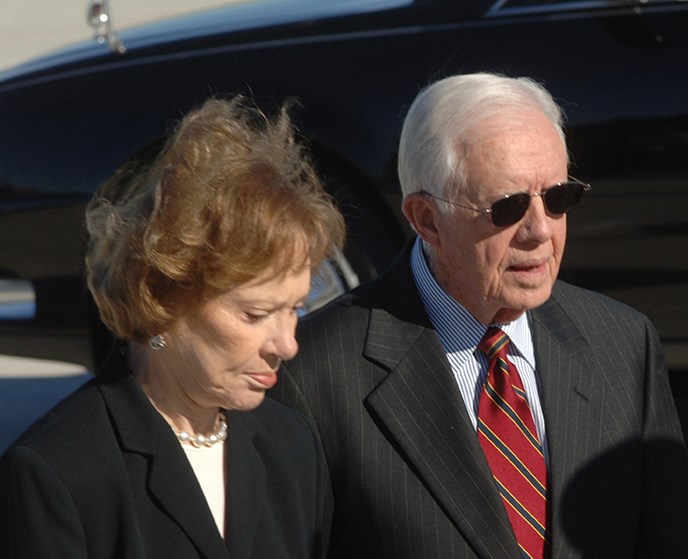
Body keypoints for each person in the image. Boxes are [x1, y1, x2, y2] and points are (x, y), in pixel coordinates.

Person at [269, 73, 688, 558]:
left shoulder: (622, 343)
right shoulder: (317, 376)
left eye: (558, 199)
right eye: (507, 208)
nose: (539, 231)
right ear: (427, 219)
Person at [0, 96, 344, 558]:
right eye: (256, 314)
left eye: (295, 308)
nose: (287, 344)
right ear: (164, 298)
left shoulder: (291, 445)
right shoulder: (58, 472)